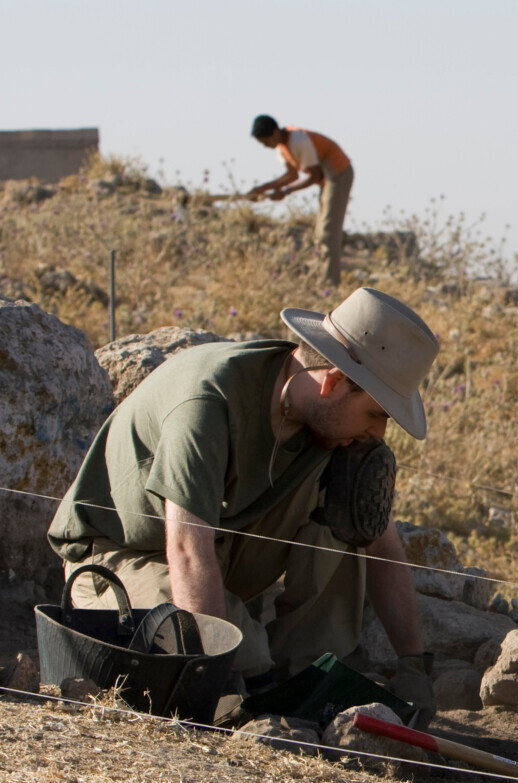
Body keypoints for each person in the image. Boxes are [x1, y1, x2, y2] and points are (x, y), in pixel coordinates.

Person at [48, 287, 440, 719]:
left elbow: (379, 541)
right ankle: (259, 681)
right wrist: (217, 677)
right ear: (332, 382)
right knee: (233, 655)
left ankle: (304, 677)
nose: (379, 434)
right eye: (377, 414)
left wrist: (413, 664)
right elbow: (187, 551)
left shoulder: (328, 425)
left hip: (219, 554)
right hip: (123, 558)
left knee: (351, 509)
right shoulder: (207, 402)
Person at [247, 114, 354, 285]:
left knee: (328, 231)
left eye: (266, 142)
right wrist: (262, 189)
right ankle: (323, 278)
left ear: (275, 133)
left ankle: (330, 284)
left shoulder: (297, 140)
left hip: (337, 173)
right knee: (320, 234)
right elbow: (291, 175)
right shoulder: (283, 147)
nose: (266, 147)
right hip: (326, 178)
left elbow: (314, 175)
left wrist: (286, 191)